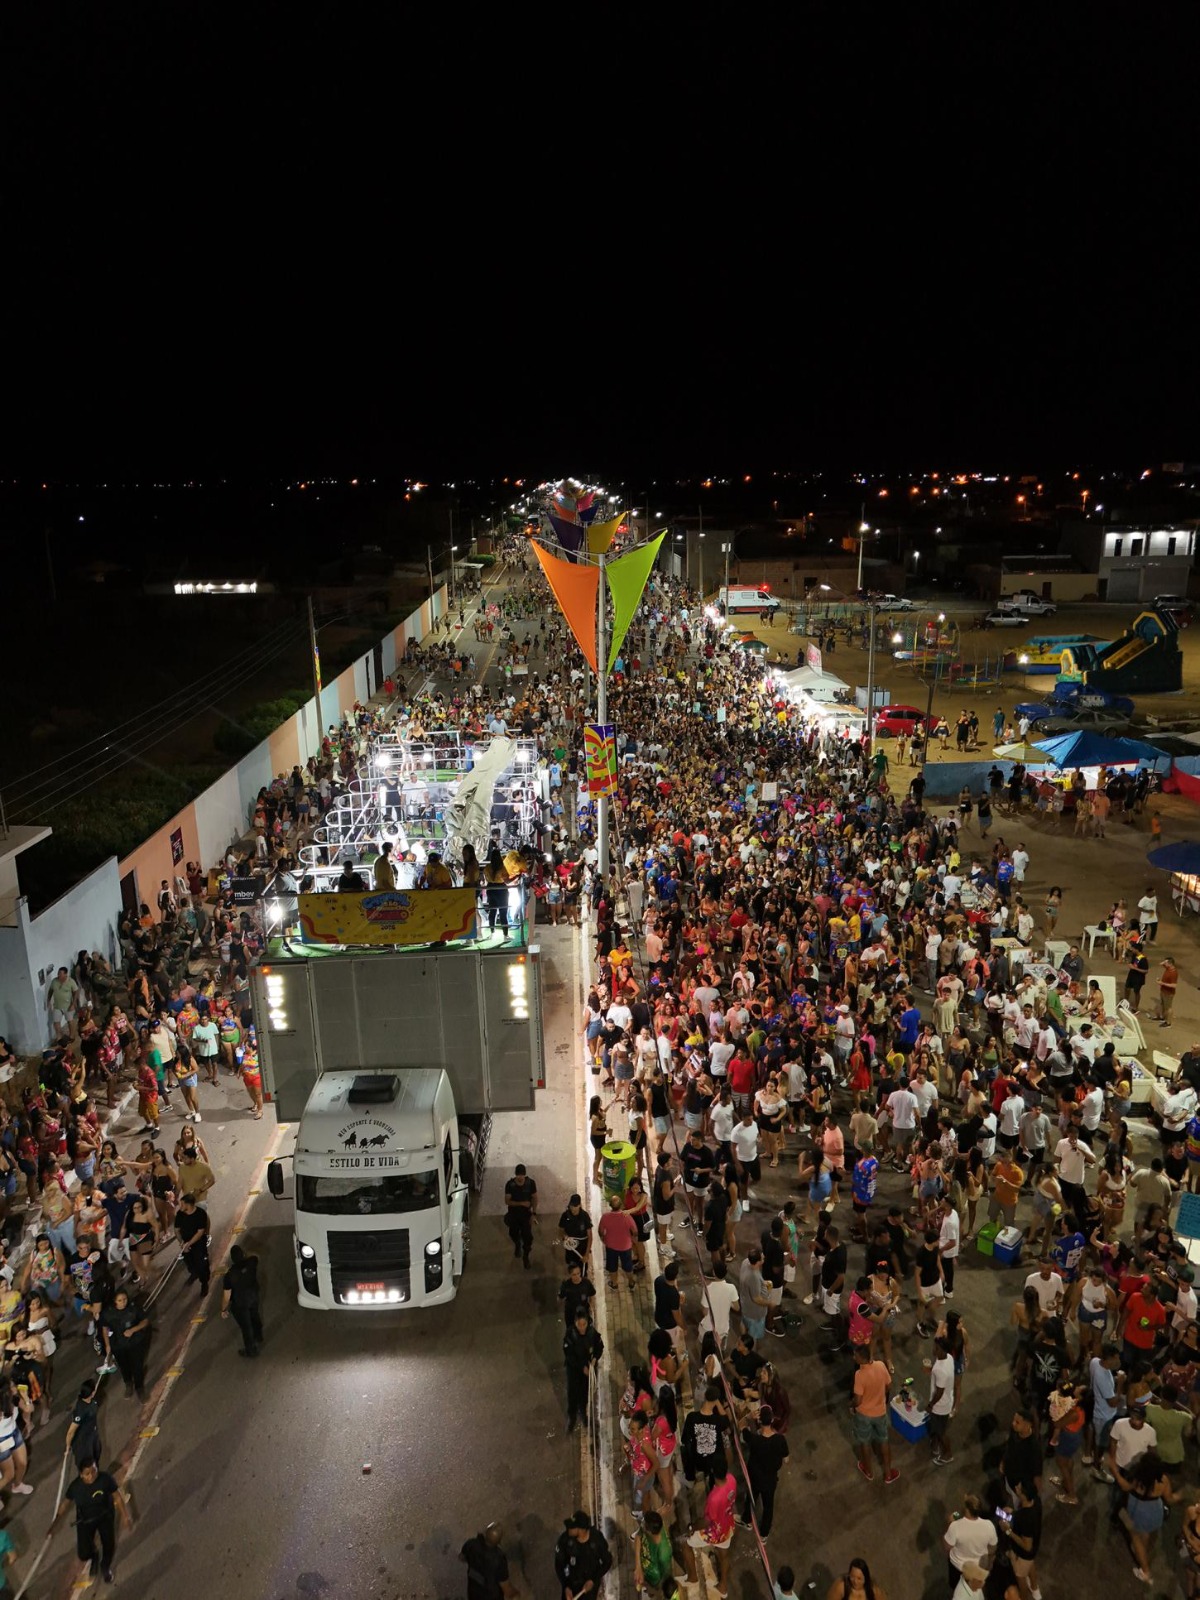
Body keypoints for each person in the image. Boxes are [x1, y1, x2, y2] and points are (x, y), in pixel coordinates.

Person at [53, 1459, 132, 1584]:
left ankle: (105, 1567)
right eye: (87, 1473)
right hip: (86, 1520)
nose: (91, 1476)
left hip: (104, 1517)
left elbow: (116, 1495)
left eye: (94, 1471)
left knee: (109, 1545)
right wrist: (55, 1524)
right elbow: (65, 1504)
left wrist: (125, 1515)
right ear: (81, 1474)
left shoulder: (105, 1479)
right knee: (83, 1553)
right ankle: (94, 1555)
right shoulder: (75, 1487)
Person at [738, 1404, 789, 1538]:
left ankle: (746, 1520)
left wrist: (749, 1417)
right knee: (768, 1507)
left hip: (755, 1477)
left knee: (751, 1499)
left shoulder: (753, 1439)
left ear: (759, 1421)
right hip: (770, 1479)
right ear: (772, 1420)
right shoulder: (780, 1440)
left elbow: (740, 1424)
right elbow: (786, 1459)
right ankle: (764, 1534)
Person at [850, 1343, 898, 1484]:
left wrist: (851, 1404)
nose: (853, 1358)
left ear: (862, 1358)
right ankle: (888, 1474)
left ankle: (868, 1471)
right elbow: (889, 1385)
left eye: (855, 1356)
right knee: (883, 1440)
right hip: (880, 1412)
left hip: (864, 1415)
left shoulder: (859, 1375)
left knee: (865, 1442)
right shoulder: (881, 1366)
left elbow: (858, 1400)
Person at [101, 1287, 150, 1400]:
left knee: (137, 1366)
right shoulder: (108, 1313)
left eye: (125, 1299)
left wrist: (133, 1329)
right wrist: (107, 1345)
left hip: (135, 1343)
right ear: (114, 1301)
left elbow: (145, 1321)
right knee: (124, 1367)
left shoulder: (133, 1308)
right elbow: (104, 1329)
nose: (123, 1302)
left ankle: (139, 1388)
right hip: (118, 1345)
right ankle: (128, 1384)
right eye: (120, 1300)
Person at [553, 1509, 612, 1600]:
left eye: (572, 1527)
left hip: (589, 1588)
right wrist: (566, 1586)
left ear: (581, 1530)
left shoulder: (596, 1539)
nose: (568, 1529)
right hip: (571, 1584)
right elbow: (559, 1564)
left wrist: (593, 1580)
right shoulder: (565, 1540)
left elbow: (607, 1561)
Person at [943, 1494, 997, 1591]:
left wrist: (949, 1523)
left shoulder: (955, 1527)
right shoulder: (989, 1526)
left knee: (956, 1588)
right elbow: (992, 1549)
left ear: (967, 1510)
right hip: (977, 1568)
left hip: (958, 1567)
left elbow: (947, 1546)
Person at [562, 1310, 604, 1433]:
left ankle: (583, 1414)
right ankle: (572, 1416)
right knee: (572, 1393)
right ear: (575, 1323)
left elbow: (599, 1347)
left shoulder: (592, 1334)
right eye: (579, 1325)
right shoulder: (570, 1334)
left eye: (584, 1324)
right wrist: (582, 1367)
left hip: (587, 1372)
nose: (581, 1327)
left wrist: (595, 1359)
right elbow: (569, 1355)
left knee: (584, 1394)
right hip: (573, 1370)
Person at [221, 1244, 264, 1357]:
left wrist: (223, 1309)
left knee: (246, 1327)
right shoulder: (252, 1262)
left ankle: (251, 1351)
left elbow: (226, 1296)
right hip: (254, 1296)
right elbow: (256, 1255)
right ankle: (259, 1335)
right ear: (243, 1254)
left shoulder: (229, 1275)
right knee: (255, 1315)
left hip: (240, 1303)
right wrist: (246, 1255)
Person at [460, 1522, 519, 1600]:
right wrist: (515, 1594)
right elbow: (506, 1587)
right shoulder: (499, 1559)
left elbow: (461, 1557)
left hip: (473, 1593)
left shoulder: (471, 1544)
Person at [597, 1193, 639, 1292]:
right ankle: (631, 1283)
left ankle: (614, 1284)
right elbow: (635, 1231)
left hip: (611, 1246)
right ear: (621, 1205)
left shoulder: (605, 1217)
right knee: (628, 1266)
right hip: (626, 1247)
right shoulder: (627, 1217)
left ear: (610, 1205)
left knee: (612, 1266)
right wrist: (632, 1239)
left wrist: (603, 1239)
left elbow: (600, 1231)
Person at [174, 1192, 211, 1297]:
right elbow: (176, 1230)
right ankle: (194, 1273)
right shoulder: (180, 1214)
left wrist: (189, 1243)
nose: (180, 1206)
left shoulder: (200, 1214)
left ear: (188, 1205)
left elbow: (200, 1232)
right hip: (185, 1244)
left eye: (182, 1204)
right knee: (189, 1262)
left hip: (198, 1243)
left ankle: (204, 1283)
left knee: (202, 1263)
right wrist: (181, 1243)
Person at [928, 1334, 956, 1465]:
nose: (934, 1349)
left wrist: (931, 1404)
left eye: (937, 1348)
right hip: (948, 1401)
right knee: (938, 1428)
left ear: (943, 1350)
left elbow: (939, 1392)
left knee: (941, 1432)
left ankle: (948, 1453)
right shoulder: (949, 1358)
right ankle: (935, 1444)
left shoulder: (940, 1370)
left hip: (940, 1406)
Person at [503, 1165, 538, 1267]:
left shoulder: (531, 1183)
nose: (520, 1177)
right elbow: (507, 1201)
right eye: (518, 1175)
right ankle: (517, 1244)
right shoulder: (510, 1185)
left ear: (525, 1175)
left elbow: (535, 1198)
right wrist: (522, 1203)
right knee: (513, 1234)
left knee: (528, 1238)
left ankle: (526, 1257)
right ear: (515, 1175)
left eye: (522, 1175)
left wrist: (534, 1214)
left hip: (526, 1215)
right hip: (514, 1215)